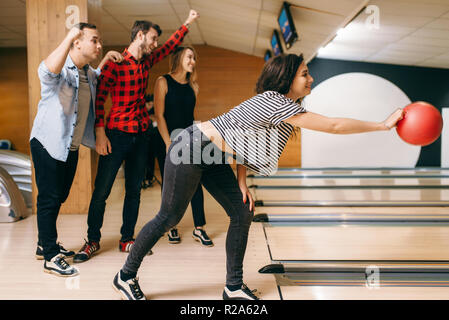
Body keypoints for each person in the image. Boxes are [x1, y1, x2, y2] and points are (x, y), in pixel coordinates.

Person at [112, 53, 404, 300]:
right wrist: (382, 125)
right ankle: (125, 276)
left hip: (210, 151)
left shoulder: (281, 107)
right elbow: (335, 126)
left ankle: (233, 287)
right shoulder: (277, 103)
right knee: (169, 217)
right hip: (191, 147)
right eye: (305, 74)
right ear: (288, 78)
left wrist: (242, 181)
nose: (310, 79)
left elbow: (246, 141)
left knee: (242, 210)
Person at [73, 10, 200, 263]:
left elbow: (170, 46)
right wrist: (100, 132)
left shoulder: (146, 62)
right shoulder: (115, 62)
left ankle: (127, 239)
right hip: (116, 135)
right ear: (140, 35)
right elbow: (100, 98)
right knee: (102, 191)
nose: (155, 45)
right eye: (152, 39)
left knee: (134, 191)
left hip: (141, 135)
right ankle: (92, 241)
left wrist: (186, 24)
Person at [30, 22, 123, 277]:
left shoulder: (86, 74)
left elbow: (97, 77)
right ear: (77, 43)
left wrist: (103, 59)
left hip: (68, 146)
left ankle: (43, 243)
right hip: (47, 143)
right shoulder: (61, 70)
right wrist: (69, 35)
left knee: (59, 196)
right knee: (49, 198)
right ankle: (50, 256)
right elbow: (47, 72)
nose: (99, 44)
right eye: (94, 40)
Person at [153, 46, 213, 246]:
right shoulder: (163, 82)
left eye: (194, 58)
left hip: (189, 140)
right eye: (189, 57)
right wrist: (168, 143)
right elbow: (159, 115)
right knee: (170, 186)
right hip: (167, 140)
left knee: (196, 182)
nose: (193, 61)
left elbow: (189, 117)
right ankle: (171, 227)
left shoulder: (193, 86)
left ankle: (199, 228)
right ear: (178, 58)